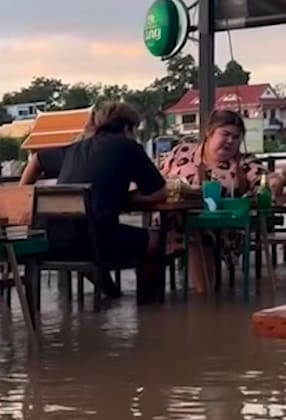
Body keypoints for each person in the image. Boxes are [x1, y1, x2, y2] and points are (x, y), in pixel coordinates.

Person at [21, 102, 168, 301]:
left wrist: (22, 195)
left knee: (88, 236)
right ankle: (149, 309)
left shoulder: (75, 149)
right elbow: (160, 193)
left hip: (50, 241)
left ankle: (113, 295)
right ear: (128, 128)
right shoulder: (129, 147)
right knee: (160, 241)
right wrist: (129, 197)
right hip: (92, 243)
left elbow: (36, 160)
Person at [160, 109, 267, 293]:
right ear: (209, 132)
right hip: (172, 220)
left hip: (222, 227)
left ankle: (205, 298)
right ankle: (154, 303)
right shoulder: (181, 152)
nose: (230, 141)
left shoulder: (246, 164)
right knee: (155, 236)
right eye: (225, 134)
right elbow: (157, 179)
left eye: (236, 137)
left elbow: (264, 189)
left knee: (198, 233)